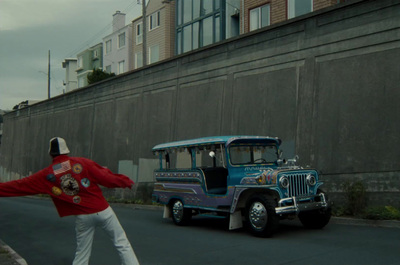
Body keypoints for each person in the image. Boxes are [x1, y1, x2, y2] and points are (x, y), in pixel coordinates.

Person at [0, 137, 140, 265]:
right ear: (66, 150)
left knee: (82, 253)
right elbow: (105, 177)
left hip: (82, 216)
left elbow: (20, 185)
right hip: (103, 210)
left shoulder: (47, 174)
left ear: (51, 154)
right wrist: (125, 181)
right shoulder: (83, 163)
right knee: (121, 243)